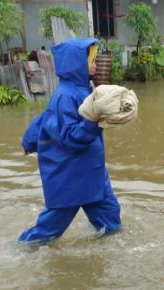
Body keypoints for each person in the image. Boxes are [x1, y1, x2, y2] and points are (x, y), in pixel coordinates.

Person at [18, 38, 121, 243]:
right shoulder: (66, 95)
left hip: (90, 171)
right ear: (76, 64)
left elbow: (45, 118)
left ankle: (110, 254)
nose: (95, 64)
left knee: (110, 218)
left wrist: (29, 141)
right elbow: (71, 137)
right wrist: (93, 119)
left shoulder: (81, 89)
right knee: (51, 228)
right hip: (70, 175)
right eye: (91, 60)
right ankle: (23, 249)